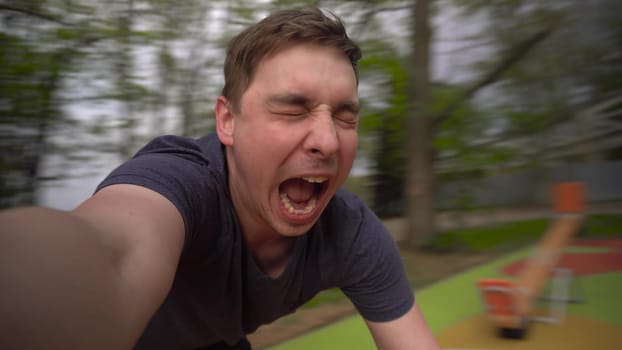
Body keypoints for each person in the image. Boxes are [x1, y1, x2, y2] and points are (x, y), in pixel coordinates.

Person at [0, 7, 439, 350]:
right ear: (227, 121)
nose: (328, 140)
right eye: (292, 107)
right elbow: (112, 252)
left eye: (345, 116)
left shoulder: (351, 233)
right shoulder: (181, 181)